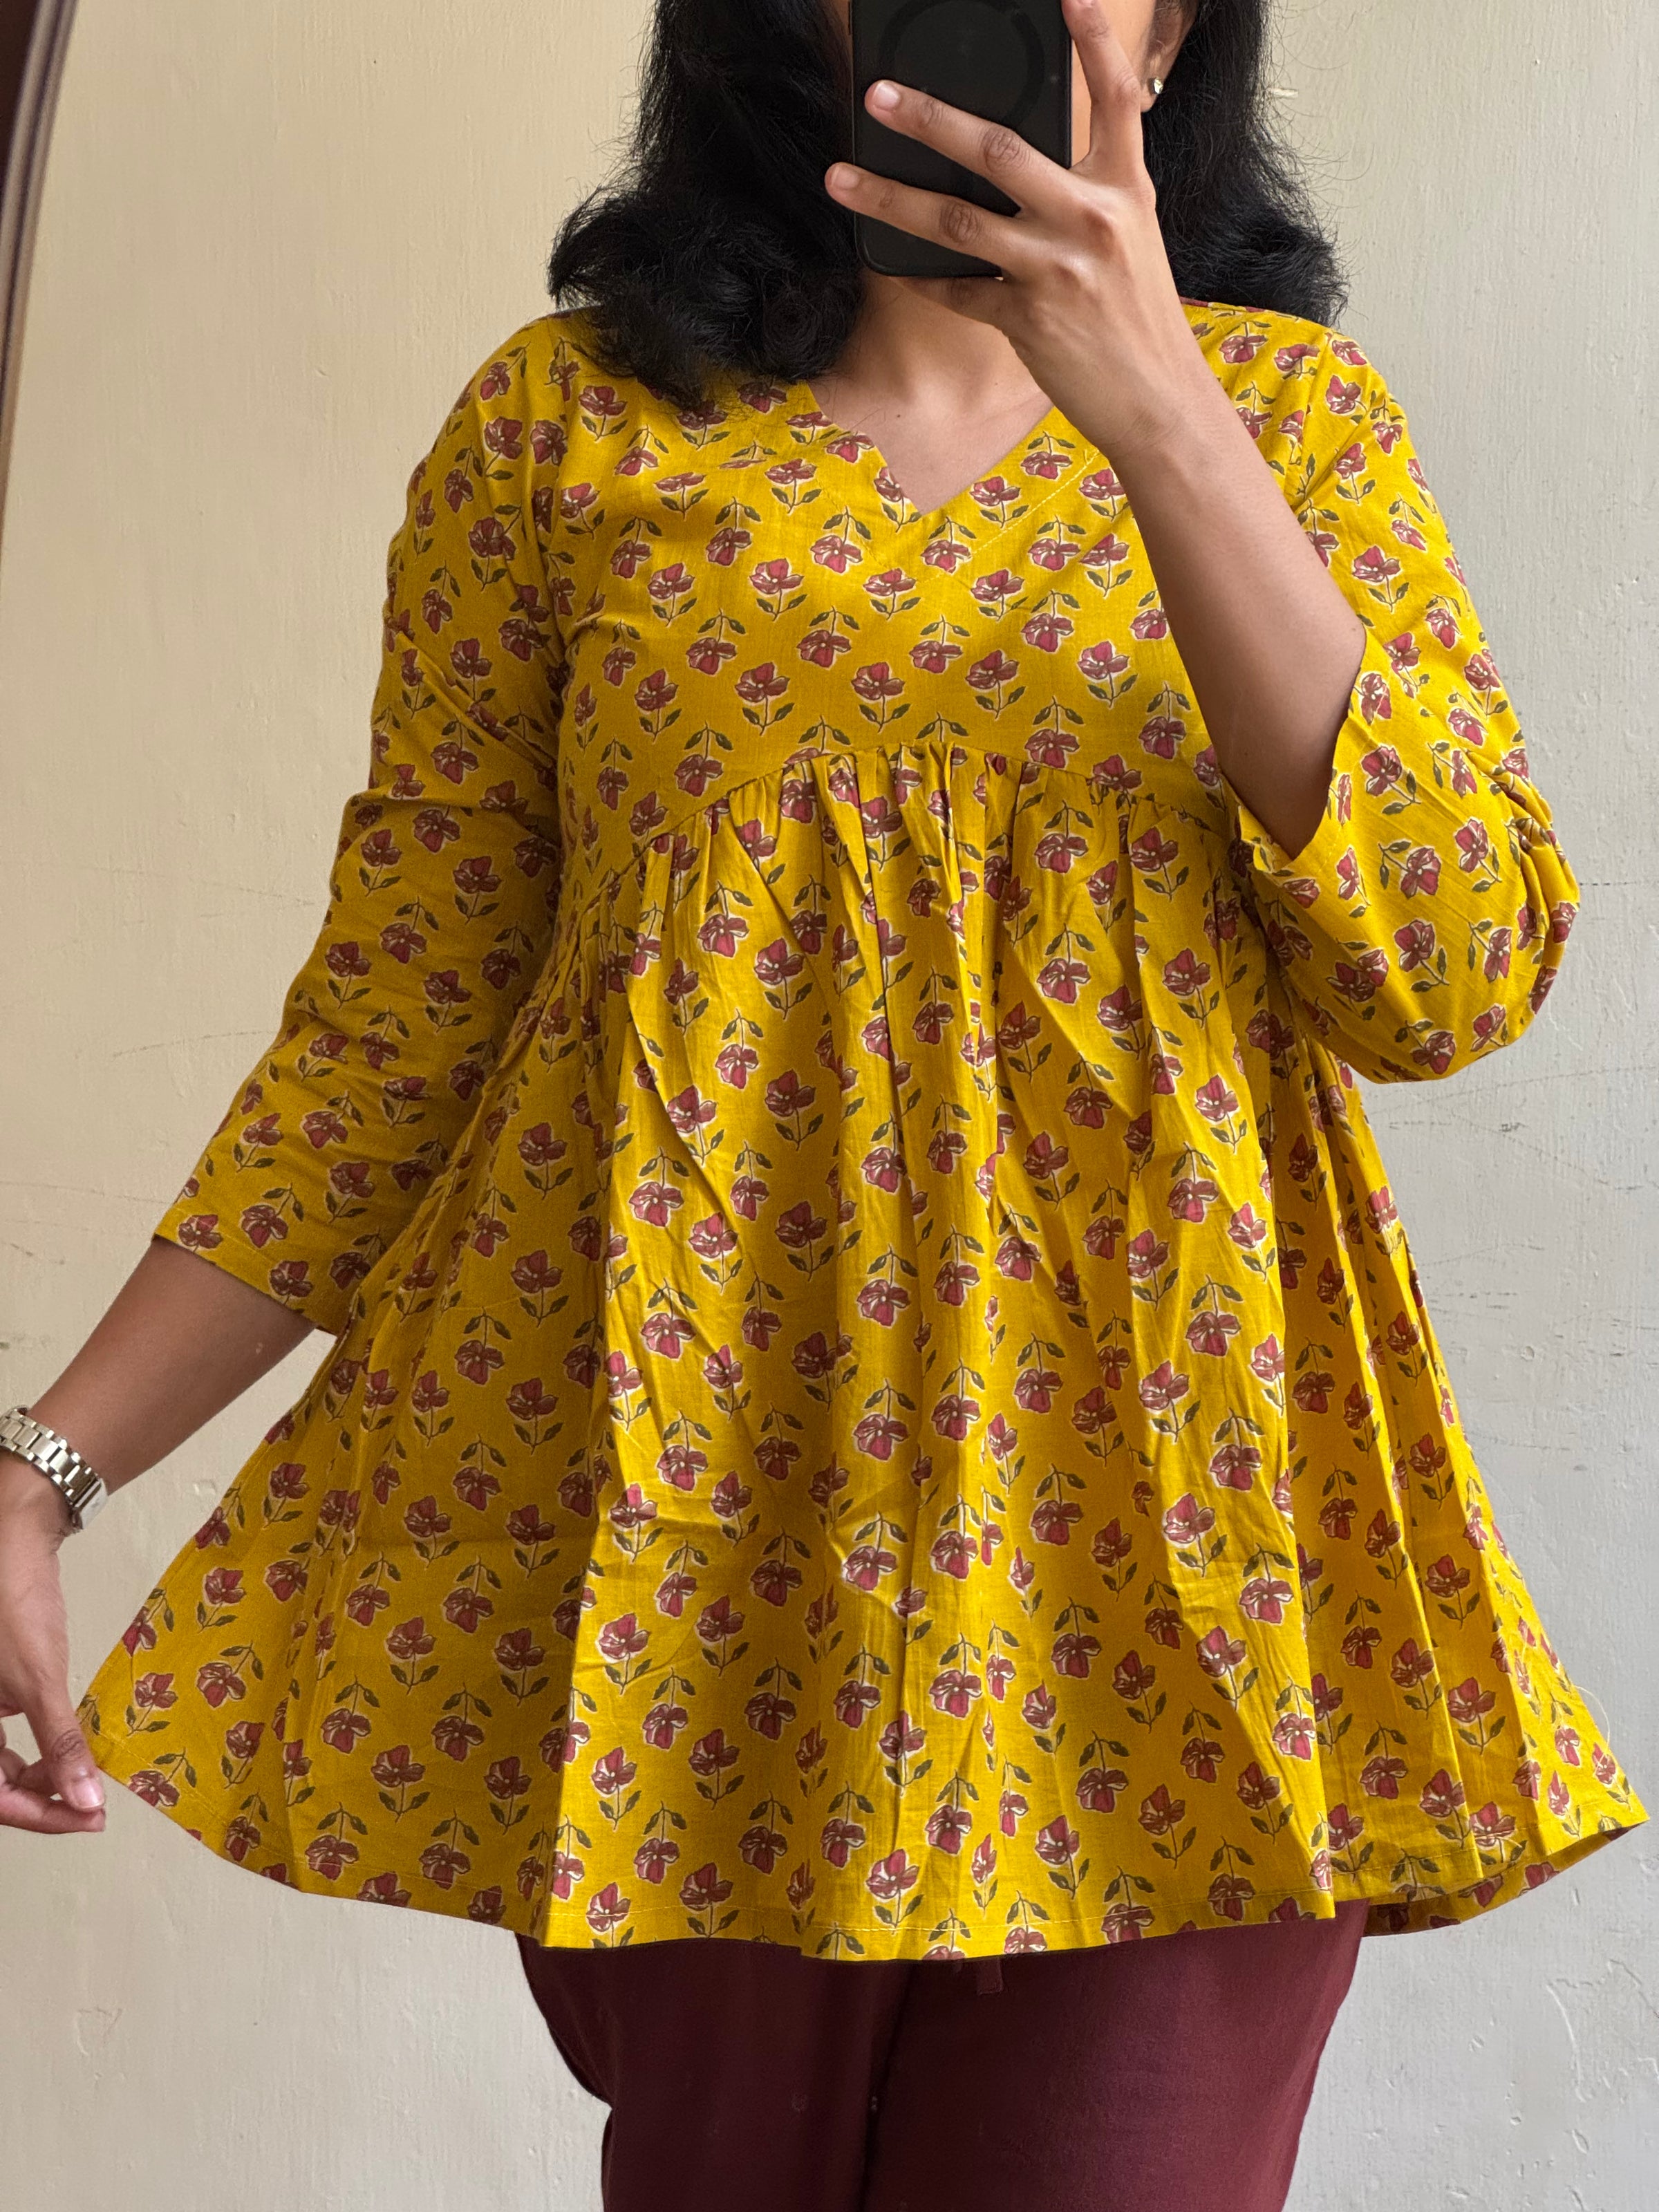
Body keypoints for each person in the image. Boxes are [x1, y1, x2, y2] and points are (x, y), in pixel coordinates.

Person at [1, 1, 1644, 2205]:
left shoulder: (1292, 427)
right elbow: (396, 1032)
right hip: (706, 1586)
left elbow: (1451, 969)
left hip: (1192, 1576)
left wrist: (1163, 406)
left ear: (1175, 31)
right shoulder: (567, 434)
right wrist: (43, 1473)